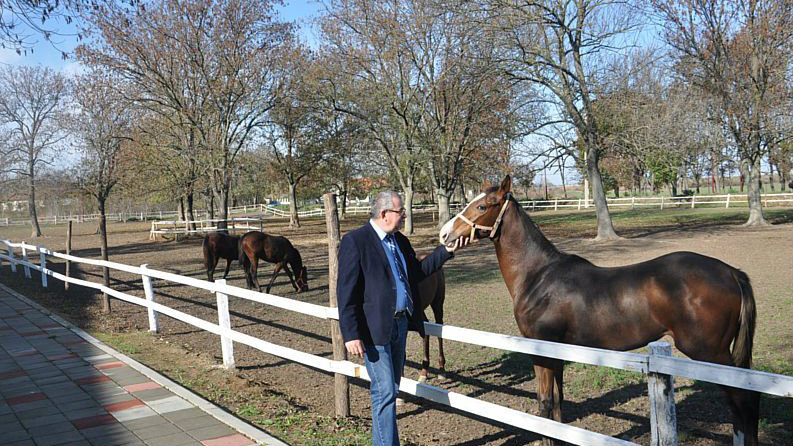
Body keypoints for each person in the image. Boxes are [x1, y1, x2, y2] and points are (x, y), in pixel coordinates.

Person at [337, 191, 468, 446]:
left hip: (400, 325)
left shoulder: (400, 241)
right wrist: (351, 333)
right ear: (384, 214)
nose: (404, 216)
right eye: (401, 212)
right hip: (372, 330)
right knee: (384, 392)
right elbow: (346, 291)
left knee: (389, 391)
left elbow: (417, 273)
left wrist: (446, 251)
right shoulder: (356, 241)